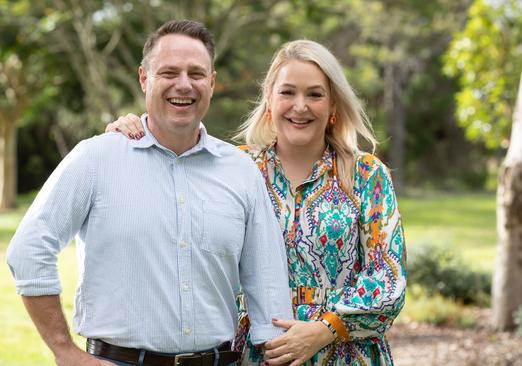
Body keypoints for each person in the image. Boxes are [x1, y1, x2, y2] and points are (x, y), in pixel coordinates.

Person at [6, 20, 294, 366]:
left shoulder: (241, 171)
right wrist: (64, 351)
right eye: (169, 72)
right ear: (144, 78)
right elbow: (29, 248)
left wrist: (273, 351)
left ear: (212, 83)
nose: (184, 85)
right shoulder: (96, 159)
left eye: (197, 74)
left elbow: (268, 281)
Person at [106, 39, 406, 365]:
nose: (300, 106)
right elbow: (165, 198)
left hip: (345, 352)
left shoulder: (365, 174)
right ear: (269, 101)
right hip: (255, 353)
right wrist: (131, 136)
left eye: (315, 94)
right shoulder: (232, 168)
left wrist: (323, 330)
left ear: (333, 105)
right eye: (287, 92)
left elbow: (387, 279)